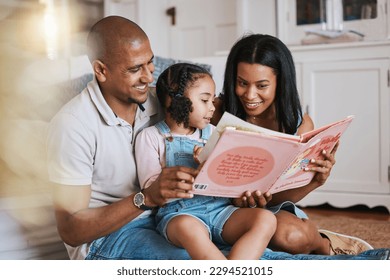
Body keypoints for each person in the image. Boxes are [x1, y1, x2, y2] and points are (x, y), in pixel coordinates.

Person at [46, 15, 389, 260]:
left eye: (151, 65)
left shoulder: (156, 101)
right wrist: (146, 198)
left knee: (255, 240)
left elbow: (197, 108)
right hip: (114, 237)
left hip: (192, 213)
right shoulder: (73, 125)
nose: (148, 77)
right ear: (101, 70)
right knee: (196, 263)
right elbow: (72, 230)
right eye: (136, 69)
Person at [211, 33, 372, 255]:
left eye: (262, 85)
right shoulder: (213, 111)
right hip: (215, 208)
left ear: (280, 82)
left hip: (267, 209)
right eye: (242, 83)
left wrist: (315, 181)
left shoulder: (299, 125)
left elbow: (281, 196)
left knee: (291, 236)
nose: (249, 95)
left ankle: (328, 246)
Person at [135, 62, 276, 260]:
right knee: (188, 228)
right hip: (179, 214)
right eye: (204, 100)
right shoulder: (151, 137)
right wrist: (200, 170)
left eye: (213, 100)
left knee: (266, 219)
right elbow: (153, 191)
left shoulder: (213, 133)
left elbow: (229, 182)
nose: (212, 107)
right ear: (175, 99)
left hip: (221, 210)